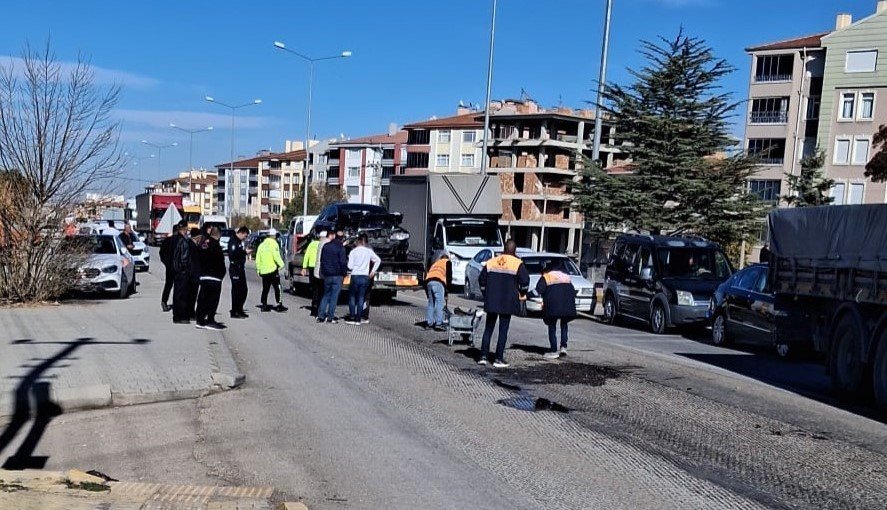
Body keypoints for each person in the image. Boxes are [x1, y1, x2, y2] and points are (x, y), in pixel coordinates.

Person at [478, 240, 530, 368]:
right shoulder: (517, 264)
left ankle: (483, 357)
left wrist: (486, 294)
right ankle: (498, 359)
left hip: (492, 301)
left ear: (504, 249)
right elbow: (525, 282)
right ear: (514, 251)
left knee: (488, 329)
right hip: (507, 302)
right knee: (503, 331)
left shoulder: (491, 262)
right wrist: (522, 292)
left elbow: (481, 280)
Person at [536, 259, 577, 359]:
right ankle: (563, 347)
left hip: (552, 306)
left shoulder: (547, 276)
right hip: (567, 306)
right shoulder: (567, 277)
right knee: (564, 324)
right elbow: (572, 291)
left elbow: (539, 289)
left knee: (552, 326)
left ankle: (553, 350)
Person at [345, 234, 381, 325]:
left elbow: (350, 266)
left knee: (352, 297)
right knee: (361, 297)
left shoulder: (353, 252)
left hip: (355, 275)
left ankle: (352, 316)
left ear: (357, 242)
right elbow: (378, 260)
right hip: (365, 276)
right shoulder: (368, 251)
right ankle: (358, 319)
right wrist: (372, 271)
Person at [195, 226, 226, 330]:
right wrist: (222, 274)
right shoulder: (216, 245)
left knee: (202, 299)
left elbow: (199, 257)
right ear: (218, 235)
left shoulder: (204, 244)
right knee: (212, 300)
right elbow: (219, 262)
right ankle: (210, 320)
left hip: (204, 276)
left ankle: (200, 320)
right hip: (214, 277)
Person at [318, 230, 347, 324]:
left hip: (327, 275)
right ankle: (330, 317)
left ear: (334, 236)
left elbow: (322, 260)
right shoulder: (340, 248)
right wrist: (344, 273)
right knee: (334, 297)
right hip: (337, 275)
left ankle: (320, 316)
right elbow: (343, 262)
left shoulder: (326, 246)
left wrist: (324, 271)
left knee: (325, 295)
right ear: (342, 238)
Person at [255, 228, 288, 312]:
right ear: (274, 236)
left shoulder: (261, 245)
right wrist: (282, 264)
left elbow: (258, 258)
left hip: (264, 271)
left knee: (265, 288)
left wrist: (259, 269)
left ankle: (264, 305)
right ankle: (279, 304)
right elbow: (276, 256)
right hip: (272, 270)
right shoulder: (274, 244)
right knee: (277, 287)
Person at [171, 220, 193, 324]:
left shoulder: (174, 239)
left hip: (175, 270)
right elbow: (184, 258)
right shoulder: (183, 241)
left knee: (177, 294)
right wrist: (185, 269)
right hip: (182, 272)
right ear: (184, 228)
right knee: (183, 295)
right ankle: (182, 316)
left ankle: (177, 315)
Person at [425, 252, 452, 331]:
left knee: (431, 303)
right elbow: (449, 276)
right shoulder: (447, 262)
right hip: (438, 282)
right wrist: (447, 290)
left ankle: (429, 323)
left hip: (428, 282)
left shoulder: (436, 263)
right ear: (447, 258)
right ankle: (438, 323)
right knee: (439, 303)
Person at [228, 226, 250, 319]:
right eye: (245, 236)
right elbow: (232, 255)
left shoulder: (239, 241)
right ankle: (235, 311)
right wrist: (244, 252)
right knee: (236, 291)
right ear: (241, 233)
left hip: (240, 268)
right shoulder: (233, 240)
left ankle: (240, 309)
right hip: (235, 269)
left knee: (244, 290)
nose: (245, 238)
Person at [302, 231, 325, 316]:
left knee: (315, 289)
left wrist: (304, 267)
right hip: (319, 268)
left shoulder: (312, 244)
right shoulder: (323, 245)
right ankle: (318, 307)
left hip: (311, 268)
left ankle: (314, 308)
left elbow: (306, 256)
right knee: (321, 289)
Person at [159, 227, 178, 312]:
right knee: (175, 286)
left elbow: (161, 253)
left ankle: (165, 301)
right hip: (175, 267)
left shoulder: (167, 240)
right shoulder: (178, 241)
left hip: (171, 267)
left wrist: (166, 263)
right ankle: (168, 302)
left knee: (169, 285)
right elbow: (162, 253)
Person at [188, 227, 204, 319]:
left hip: (196, 274)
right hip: (192, 274)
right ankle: (190, 312)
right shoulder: (190, 245)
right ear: (197, 237)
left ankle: (191, 311)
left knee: (194, 294)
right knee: (191, 295)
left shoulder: (196, 246)